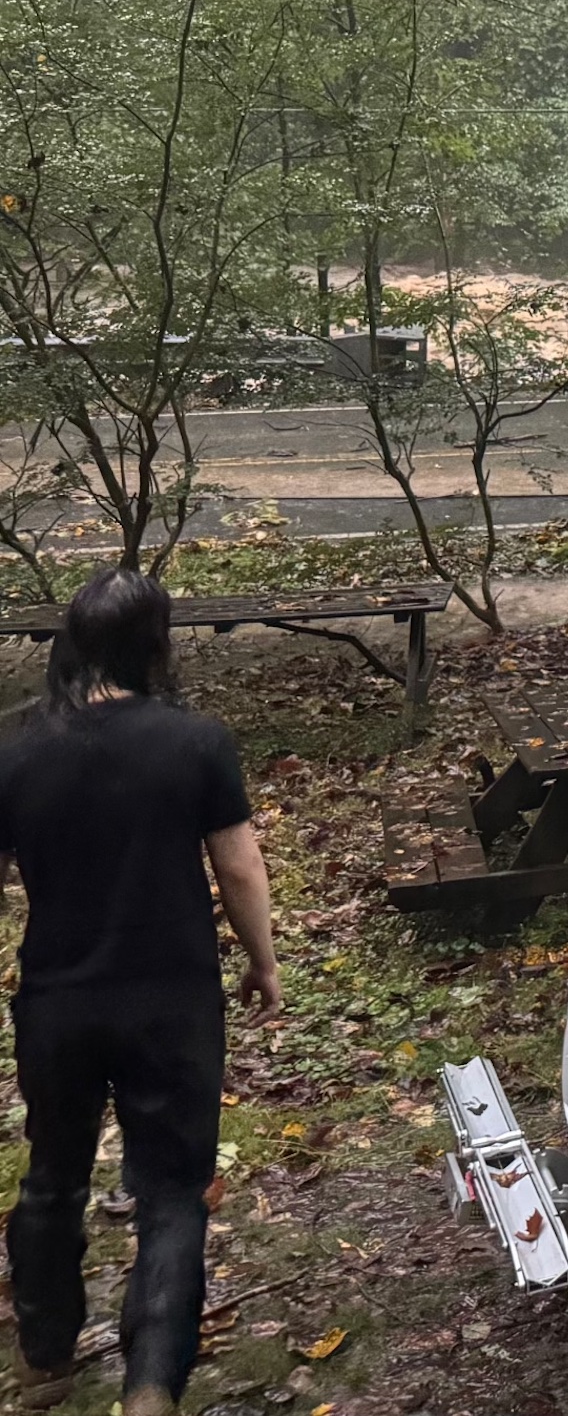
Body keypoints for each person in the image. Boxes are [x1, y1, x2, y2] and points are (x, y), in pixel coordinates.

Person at [0, 570, 280, 1416]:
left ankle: (45, 1359)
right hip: (172, 1005)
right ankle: (152, 1385)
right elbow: (237, 865)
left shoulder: (15, 750)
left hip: (58, 1003)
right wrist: (261, 961)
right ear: (155, 644)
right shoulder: (195, 743)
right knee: (169, 1187)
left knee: (53, 1176)